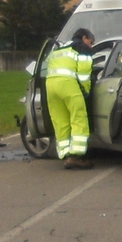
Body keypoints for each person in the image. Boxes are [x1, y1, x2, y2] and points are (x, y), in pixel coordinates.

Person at [45, 28, 96, 170]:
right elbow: (84, 72)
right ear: (84, 38)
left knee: (60, 120)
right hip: (68, 84)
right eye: (91, 42)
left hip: (50, 85)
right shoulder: (82, 48)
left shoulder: (60, 47)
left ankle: (66, 154)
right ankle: (77, 156)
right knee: (78, 117)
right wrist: (86, 90)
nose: (91, 46)